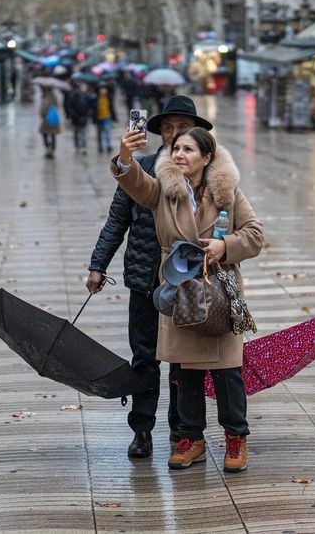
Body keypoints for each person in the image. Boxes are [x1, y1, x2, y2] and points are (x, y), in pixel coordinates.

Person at [111, 124, 265, 473]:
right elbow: (135, 182)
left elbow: (255, 234)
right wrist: (125, 156)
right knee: (186, 371)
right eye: (176, 148)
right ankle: (191, 439)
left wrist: (226, 246)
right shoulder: (162, 192)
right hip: (180, 289)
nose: (179, 154)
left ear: (206, 157)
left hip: (219, 291)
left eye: (188, 150)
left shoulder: (227, 193)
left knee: (228, 372)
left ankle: (236, 438)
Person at [86, 95, 208, 458]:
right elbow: (116, 221)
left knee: (182, 359)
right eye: (168, 128)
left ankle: (181, 428)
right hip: (144, 280)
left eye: (182, 128)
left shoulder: (204, 176)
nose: (174, 135)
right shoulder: (141, 169)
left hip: (185, 283)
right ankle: (142, 429)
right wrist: (98, 265)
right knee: (144, 357)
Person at [66, 81, 95, 155]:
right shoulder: (74, 95)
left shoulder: (88, 96)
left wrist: (88, 114)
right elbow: (70, 106)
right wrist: (74, 115)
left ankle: (83, 146)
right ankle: (77, 146)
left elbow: (90, 107)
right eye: (83, 87)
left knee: (83, 133)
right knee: (76, 133)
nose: (84, 88)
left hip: (84, 118)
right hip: (75, 118)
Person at [38, 85, 61, 159]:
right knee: (52, 135)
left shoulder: (47, 98)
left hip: (47, 120)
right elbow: (57, 106)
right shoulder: (54, 97)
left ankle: (49, 149)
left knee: (45, 134)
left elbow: (43, 109)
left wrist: (42, 113)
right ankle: (51, 149)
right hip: (53, 119)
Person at [95, 85, 117, 154]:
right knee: (99, 133)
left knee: (107, 131)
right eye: (102, 90)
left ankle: (108, 145)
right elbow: (93, 108)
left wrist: (114, 117)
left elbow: (111, 108)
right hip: (98, 118)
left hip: (107, 117)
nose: (103, 91)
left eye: (104, 89)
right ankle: (100, 146)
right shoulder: (96, 98)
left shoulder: (108, 98)